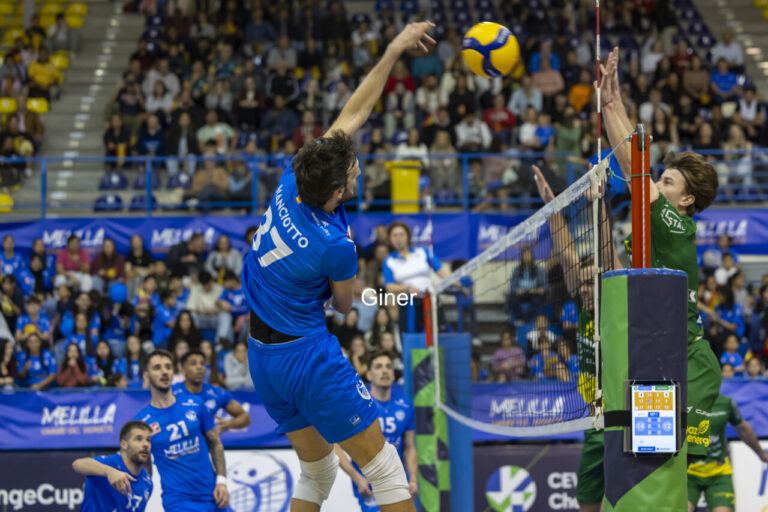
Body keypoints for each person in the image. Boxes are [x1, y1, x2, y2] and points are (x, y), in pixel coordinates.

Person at [241, 22, 435, 512]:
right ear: (336, 194)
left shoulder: (294, 176)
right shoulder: (334, 244)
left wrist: (393, 49)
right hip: (306, 357)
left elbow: (356, 110)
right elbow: (346, 306)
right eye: (353, 172)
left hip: (261, 356)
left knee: (319, 469)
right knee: (387, 470)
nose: (357, 168)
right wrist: (343, 290)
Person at [133, 350, 229, 510]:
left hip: (214, 496)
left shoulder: (196, 403)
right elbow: (144, 469)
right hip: (178, 502)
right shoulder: (141, 422)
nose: (164, 371)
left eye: (168, 367)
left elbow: (215, 443)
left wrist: (221, 482)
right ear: (146, 376)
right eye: (157, 367)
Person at [336, 351, 418, 511]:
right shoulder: (357, 405)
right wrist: (356, 477)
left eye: (388, 367)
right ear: (369, 375)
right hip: (369, 483)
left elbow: (409, 447)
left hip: (399, 481)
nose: (385, 370)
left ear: (394, 375)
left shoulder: (406, 405)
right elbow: (335, 447)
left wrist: (413, 479)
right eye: (378, 367)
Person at [687, 394, 768, 512]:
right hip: (688, 472)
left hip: (718, 472)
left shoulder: (726, 403)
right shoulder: (683, 400)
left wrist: (761, 454)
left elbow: (743, 429)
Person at [383, 221, 451, 334]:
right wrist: (407, 288)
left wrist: (458, 282)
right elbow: (389, 286)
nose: (398, 238)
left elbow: (442, 272)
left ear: (408, 237)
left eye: (401, 234)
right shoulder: (389, 261)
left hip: (430, 300)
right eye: (395, 235)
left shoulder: (423, 252)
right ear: (390, 239)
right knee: (412, 339)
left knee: (438, 335)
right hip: (408, 304)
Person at [73, 421, 154, 512]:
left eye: (148, 440)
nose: (146, 444)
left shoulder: (148, 482)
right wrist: (110, 472)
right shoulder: (110, 463)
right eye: (139, 439)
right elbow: (78, 464)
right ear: (124, 444)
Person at [172, 350, 251, 434]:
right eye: (193, 363)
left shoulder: (216, 393)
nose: (199, 367)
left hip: (208, 444)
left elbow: (245, 418)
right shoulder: (172, 392)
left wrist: (229, 424)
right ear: (183, 370)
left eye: (202, 364)